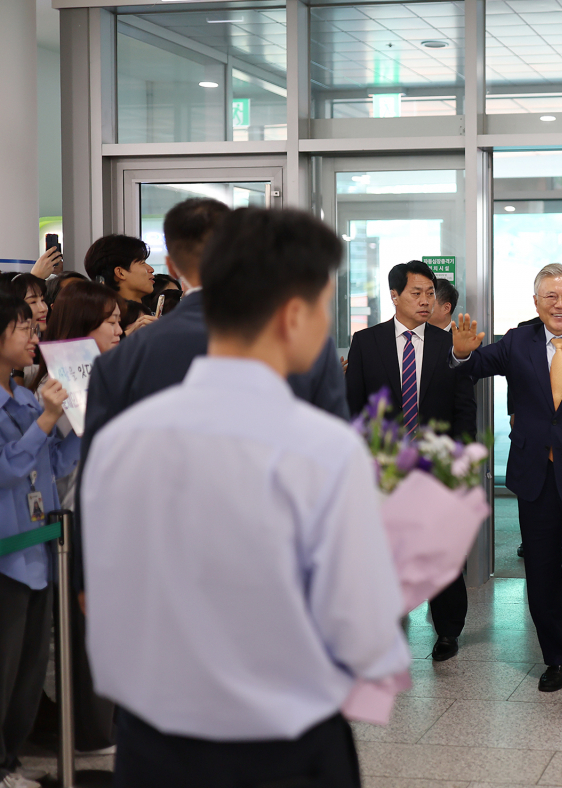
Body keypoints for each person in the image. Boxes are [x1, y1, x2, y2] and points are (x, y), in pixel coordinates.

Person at [82, 207, 409, 788]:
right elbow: (365, 641)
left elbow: (105, 600)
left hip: (148, 744)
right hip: (283, 746)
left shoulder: (119, 442)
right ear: (292, 315)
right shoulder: (322, 449)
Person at [451, 264, 562, 718]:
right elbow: (472, 368)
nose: (558, 303)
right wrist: (459, 354)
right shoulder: (517, 342)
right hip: (536, 479)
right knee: (543, 580)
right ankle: (558, 656)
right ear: (535, 302)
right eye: (549, 296)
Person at [82, 197, 349, 468]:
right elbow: (336, 462)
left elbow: (94, 481)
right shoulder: (304, 343)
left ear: (172, 267)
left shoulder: (117, 362)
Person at [345, 261, 476, 662]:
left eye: (430, 293)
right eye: (417, 293)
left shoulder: (447, 343)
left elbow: (464, 407)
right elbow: (354, 407)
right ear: (395, 295)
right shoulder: (366, 342)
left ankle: (448, 631)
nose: (425, 300)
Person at [30, 281, 122, 753]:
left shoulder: (110, 375)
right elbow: (58, 463)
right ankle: (87, 727)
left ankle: (106, 720)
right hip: (71, 519)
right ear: (85, 327)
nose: (119, 329)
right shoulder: (58, 385)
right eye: (110, 321)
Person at [0, 293, 79, 788]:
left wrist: (78, 419)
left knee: (28, 673)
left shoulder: (29, 399)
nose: (34, 337)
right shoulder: (33, 408)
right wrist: (48, 421)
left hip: (38, 551)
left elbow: (54, 465)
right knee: (3, 669)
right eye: (24, 327)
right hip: (7, 557)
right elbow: (6, 469)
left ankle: (9, 760)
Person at [82, 234, 157, 335]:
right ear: (120, 272)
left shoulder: (149, 311)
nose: (151, 269)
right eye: (142, 262)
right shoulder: (98, 320)